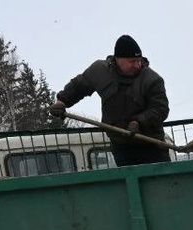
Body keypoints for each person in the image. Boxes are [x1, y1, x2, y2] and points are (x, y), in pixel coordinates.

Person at [50, 35, 170, 167]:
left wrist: (139, 122)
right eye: (132, 61)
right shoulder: (100, 71)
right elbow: (78, 86)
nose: (137, 65)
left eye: (139, 60)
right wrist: (62, 101)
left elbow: (160, 109)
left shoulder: (152, 80)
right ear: (118, 59)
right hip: (121, 146)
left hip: (151, 144)